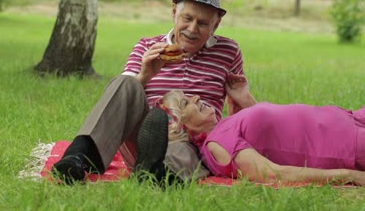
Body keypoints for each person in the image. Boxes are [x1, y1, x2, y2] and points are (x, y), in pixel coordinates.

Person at [53, 0, 253, 184]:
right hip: (144, 134)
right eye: (187, 18)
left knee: (186, 151)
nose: (192, 29)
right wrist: (146, 74)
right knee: (126, 83)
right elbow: (121, 98)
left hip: (194, 141)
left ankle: (153, 171)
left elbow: (243, 117)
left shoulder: (228, 51)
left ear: (216, 24)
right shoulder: (147, 46)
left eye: (202, 23)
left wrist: (244, 97)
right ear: (174, 12)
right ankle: (79, 156)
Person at [154, 78, 365, 186]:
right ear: (182, 126)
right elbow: (275, 173)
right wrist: (349, 175)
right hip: (349, 145)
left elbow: (268, 133)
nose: (196, 98)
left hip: (351, 119)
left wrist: (243, 99)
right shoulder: (217, 144)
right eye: (186, 103)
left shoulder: (222, 128)